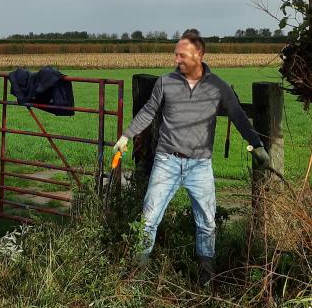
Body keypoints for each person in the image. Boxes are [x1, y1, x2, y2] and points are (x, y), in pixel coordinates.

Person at [113, 29, 270, 284]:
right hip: (167, 161)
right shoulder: (165, 82)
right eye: (175, 55)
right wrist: (125, 137)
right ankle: (137, 277)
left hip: (200, 166)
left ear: (199, 54)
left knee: (207, 223)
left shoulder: (218, 87)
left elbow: (239, 118)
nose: (176, 60)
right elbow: (148, 112)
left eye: (182, 55)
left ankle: (206, 279)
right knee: (148, 220)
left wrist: (257, 145)